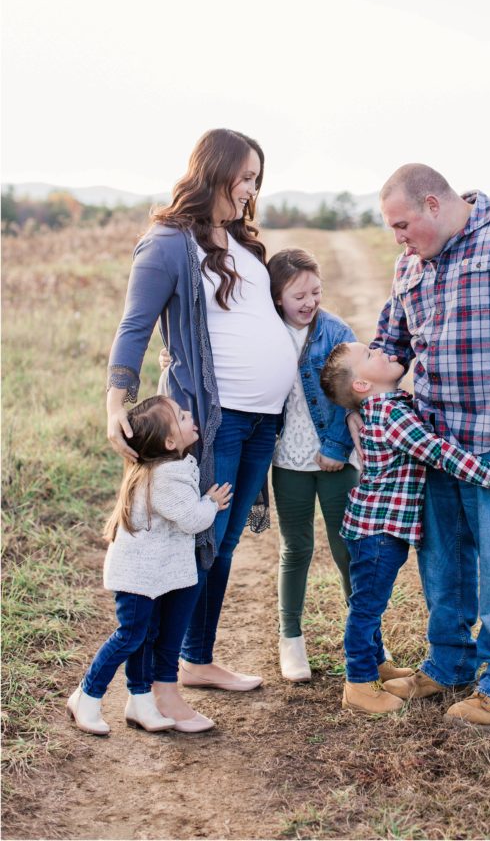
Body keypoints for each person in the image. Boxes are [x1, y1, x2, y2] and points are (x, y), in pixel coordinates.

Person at [352, 163, 490, 730]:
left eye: (402, 224)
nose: (398, 238)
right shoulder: (410, 266)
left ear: (434, 204)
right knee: (444, 565)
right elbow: (390, 338)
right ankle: (449, 664)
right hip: (437, 446)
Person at [107, 129, 298, 725]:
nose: (251, 190)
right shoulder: (168, 244)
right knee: (198, 545)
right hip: (214, 422)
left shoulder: (241, 242)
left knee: (223, 542)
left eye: (257, 179)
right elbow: (135, 326)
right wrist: (117, 400)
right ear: (212, 172)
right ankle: (161, 682)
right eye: (244, 176)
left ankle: (196, 657)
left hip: (262, 420)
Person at [320, 340, 490, 716]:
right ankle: (358, 683)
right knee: (367, 607)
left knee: (369, 601)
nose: (382, 351)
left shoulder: (390, 405)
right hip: (378, 530)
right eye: (370, 356)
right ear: (361, 385)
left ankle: (374, 664)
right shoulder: (390, 414)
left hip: (379, 526)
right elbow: (438, 453)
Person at [67, 396, 231, 736]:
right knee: (129, 636)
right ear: (170, 442)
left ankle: (140, 700)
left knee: (146, 635)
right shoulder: (167, 475)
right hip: (138, 577)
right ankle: (86, 695)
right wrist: (211, 504)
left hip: (150, 576)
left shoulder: (166, 467)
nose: (191, 417)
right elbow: (190, 519)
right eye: (183, 417)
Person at [266, 248, 359, 682]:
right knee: (296, 548)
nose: (309, 302)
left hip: (335, 459)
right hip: (288, 460)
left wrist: (339, 447)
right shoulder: (263, 332)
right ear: (277, 296)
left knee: (348, 550)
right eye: (298, 295)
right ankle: (291, 641)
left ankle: (364, 641)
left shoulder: (336, 331)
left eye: (316, 292)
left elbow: (353, 394)